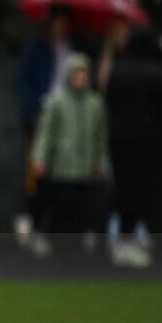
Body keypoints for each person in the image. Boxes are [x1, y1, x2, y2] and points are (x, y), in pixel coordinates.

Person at [96, 21, 162, 267]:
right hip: (150, 144)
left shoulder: (119, 72)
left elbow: (107, 103)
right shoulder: (158, 74)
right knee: (145, 193)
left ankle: (121, 241)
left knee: (122, 191)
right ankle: (134, 240)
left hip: (119, 142)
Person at [30, 53, 107, 256]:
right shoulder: (57, 101)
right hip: (62, 166)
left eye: (84, 74)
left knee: (82, 207)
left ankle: (75, 244)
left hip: (85, 167)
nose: (81, 78)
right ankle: (49, 239)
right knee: (58, 205)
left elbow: (100, 137)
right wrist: (40, 159)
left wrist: (100, 163)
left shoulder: (95, 104)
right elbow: (45, 133)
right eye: (77, 74)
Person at [14, 4, 75, 246]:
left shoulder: (75, 49)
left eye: (64, 22)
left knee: (63, 179)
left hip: (68, 122)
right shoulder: (37, 49)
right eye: (56, 21)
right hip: (41, 120)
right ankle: (33, 222)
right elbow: (24, 84)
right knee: (37, 176)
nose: (60, 27)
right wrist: (35, 109)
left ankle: (51, 229)